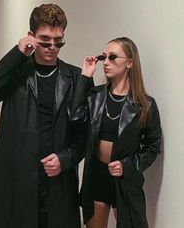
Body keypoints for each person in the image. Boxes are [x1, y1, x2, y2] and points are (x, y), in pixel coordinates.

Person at [0, 3, 90, 228]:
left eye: (59, 41)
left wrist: (65, 159)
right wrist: (16, 55)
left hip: (57, 175)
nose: (52, 47)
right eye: (45, 40)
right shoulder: (16, 73)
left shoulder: (76, 78)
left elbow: (85, 135)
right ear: (31, 37)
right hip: (19, 172)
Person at [69, 37, 161, 228]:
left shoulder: (146, 104)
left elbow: (152, 148)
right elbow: (75, 117)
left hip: (125, 179)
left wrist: (128, 165)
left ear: (130, 62)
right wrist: (85, 77)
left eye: (113, 57)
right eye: (104, 58)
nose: (107, 63)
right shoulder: (96, 95)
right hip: (97, 175)